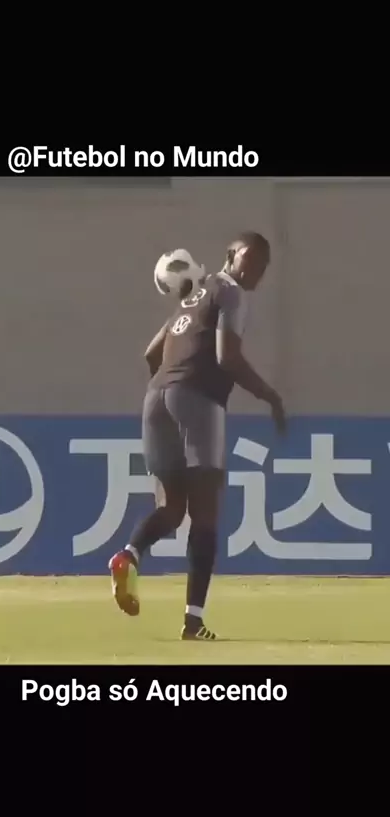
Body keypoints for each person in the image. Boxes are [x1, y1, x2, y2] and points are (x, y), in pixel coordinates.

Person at [109, 232, 286, 639]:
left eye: (263, 264)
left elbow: (151, 354)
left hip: (156, 399)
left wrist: (170, 387)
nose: (256, 270)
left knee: (172, 508)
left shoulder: (191, 298)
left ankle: (129, 555)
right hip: (198, 400)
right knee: (205, 513)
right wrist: (271, 396)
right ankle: (193, 621)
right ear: (230, 256)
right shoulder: (231, 292)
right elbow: (227, 357)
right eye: (250, 259)